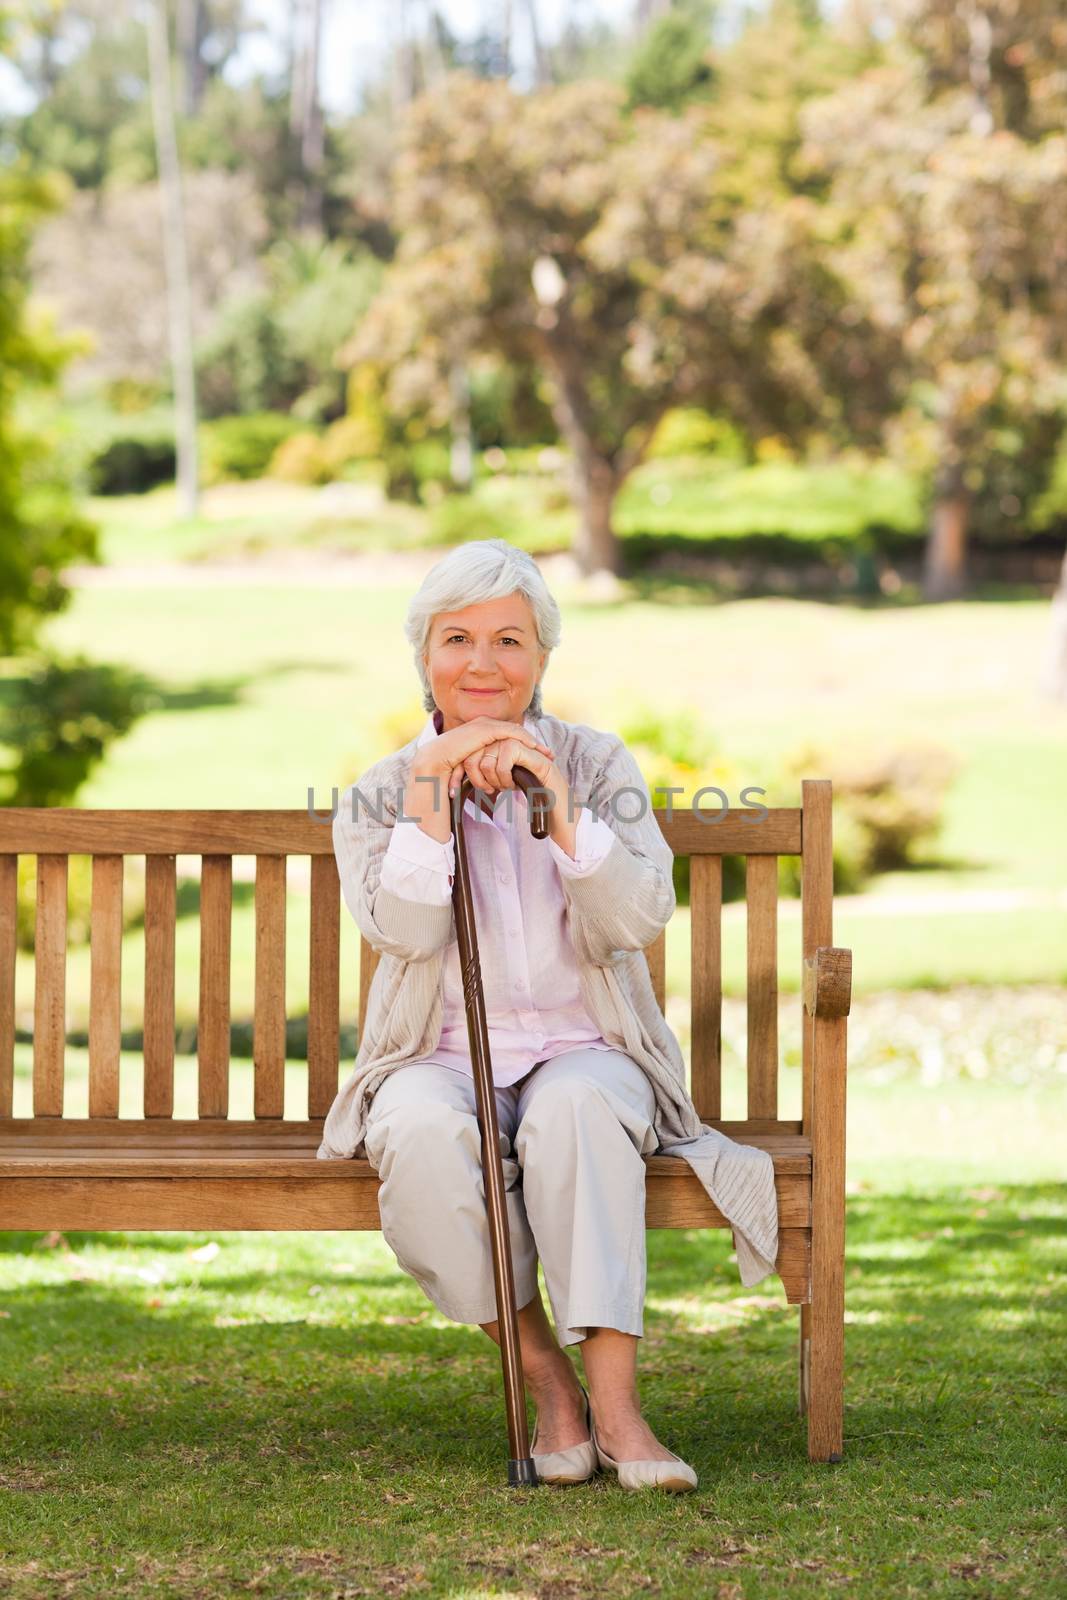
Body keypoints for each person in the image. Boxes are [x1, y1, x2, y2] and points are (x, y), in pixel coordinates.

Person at [319, 539, 778, 1491]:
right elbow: (401, 932)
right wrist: (431, 802)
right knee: (414, 1131)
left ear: (541, 658)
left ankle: (620, 1415)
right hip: (436, 1053)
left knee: (576, 1111)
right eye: (456, 639)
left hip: (586, 1045)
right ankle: (551, 1386)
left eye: (508, 640)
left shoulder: (597, 760)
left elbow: (633, 919)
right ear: (423, 657)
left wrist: (562, 806)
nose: (481, 664)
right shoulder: (379, 787)